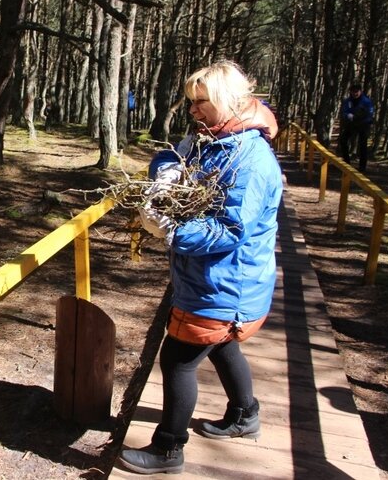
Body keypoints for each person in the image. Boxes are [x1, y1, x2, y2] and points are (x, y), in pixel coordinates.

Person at [120, 61, 282, 475]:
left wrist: (171, 230)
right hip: (215, 282)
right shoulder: (216, 137)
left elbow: (229, 229)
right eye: (190, 102)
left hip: (227, 283)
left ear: (229, 102)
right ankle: (246, 415)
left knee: (178, 362)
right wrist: (165, 172)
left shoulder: (249, 160)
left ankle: (168, 449)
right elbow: (172, 156)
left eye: (201, 103)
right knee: (223, 342)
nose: (193, 111)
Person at [339, 83, 374, 172]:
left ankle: (362, 167)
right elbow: (344, 111)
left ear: (360, 91)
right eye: (353, 92)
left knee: (362, 145)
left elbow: (370, 114)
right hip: (352, 123)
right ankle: (346, 162)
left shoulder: (366, 101)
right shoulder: (348, 101)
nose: (355, 94)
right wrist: (348, 115)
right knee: (343, 140)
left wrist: (362, 119)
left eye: (356, 92)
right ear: (350, 92)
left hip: (363, 124)